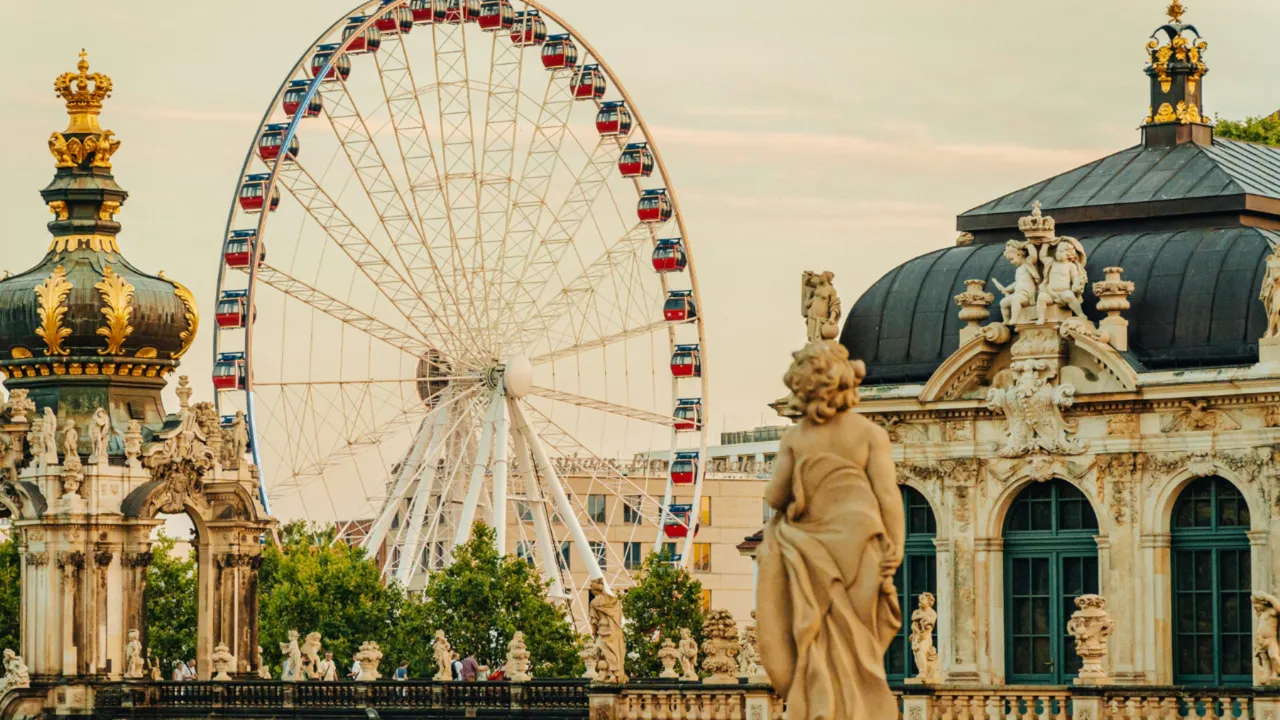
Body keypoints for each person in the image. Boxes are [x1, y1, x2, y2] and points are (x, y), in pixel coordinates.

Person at [757, 341, 905, 720]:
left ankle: (820, 709)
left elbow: (775, 496)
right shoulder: (870, 434)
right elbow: (889, 498)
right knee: (860, 647)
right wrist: (896, 549)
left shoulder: (796, 438)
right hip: (863, 549)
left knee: (818, 642)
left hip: (810, 554)